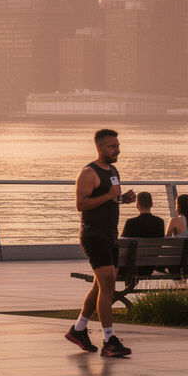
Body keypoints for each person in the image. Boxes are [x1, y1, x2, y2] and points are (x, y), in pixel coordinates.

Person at [64, 128, 137, 358]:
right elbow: (81, 204)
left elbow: (111, 198)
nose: (118, 149)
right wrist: (109, 196)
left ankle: (78, 330)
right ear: (100, 148)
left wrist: (122, 199)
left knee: (100, 286)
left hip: (110, 235)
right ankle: (109, 340)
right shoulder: (88, 172)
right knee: (108, 287)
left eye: (118, 145)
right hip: (93, 235)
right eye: (113, 146)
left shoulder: (113, 170)